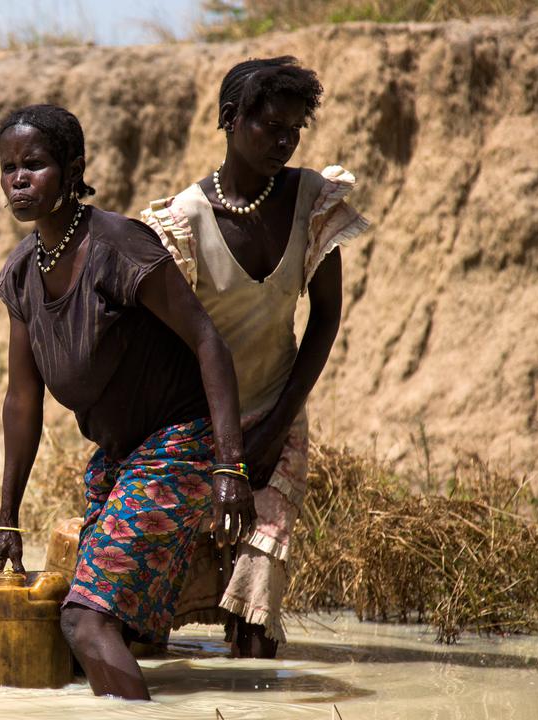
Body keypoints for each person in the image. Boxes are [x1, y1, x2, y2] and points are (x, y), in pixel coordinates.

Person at [0, 104, 253, 700]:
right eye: (8, 168)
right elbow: (21, 399)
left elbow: (210, 343)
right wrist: (7, 517)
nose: (19, 180)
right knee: (106, 630)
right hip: (118, 454)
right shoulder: (23, 274)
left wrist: (229, 467)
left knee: (85, 621)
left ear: (74, 170)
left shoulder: (117, 245)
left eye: (36, 165)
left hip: (178, 444)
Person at [142, 57, 370, 659]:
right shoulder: (184, 223)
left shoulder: (312, 202)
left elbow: (324, 320)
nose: (286, 141)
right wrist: (225, 452)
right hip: (195, 423)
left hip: (278, 406)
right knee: (157, 586)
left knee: (260, 574)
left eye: (295, 129)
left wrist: (274, 430)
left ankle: (249, 696)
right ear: (228, 120)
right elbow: (169, 344)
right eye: (271, 126)